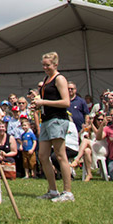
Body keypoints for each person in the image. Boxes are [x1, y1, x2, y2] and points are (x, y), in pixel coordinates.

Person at [32, 51, 74, 201]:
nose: (45, 67)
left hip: (57, 119)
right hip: (46, 120)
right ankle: (52, 190)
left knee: (60, 154)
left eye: (48, 65)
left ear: (55, 65)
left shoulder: (59, 79)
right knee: (43, 155)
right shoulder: (46, 79)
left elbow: (66, 102)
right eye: (43, 65)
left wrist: (43, 102)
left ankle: (67, 191)